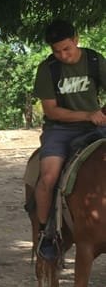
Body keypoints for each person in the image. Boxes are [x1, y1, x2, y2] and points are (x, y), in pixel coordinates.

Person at [33, 19, 106, 260]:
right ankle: (46, 234)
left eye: (67, 48)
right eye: (57, 51)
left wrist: (100, 114)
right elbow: (51, 110)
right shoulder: (48, 69)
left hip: (96, 125)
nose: (63, 55)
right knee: (48, 177)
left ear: (76, 40)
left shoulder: (95, 60)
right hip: (60, 129)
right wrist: (88, 115)